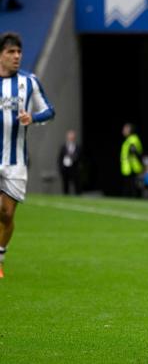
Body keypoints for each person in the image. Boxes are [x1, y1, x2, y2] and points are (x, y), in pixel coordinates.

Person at [0, 32, 55, 278]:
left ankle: (0, 256)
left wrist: (32, 117)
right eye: (11, 52)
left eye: (19, 52)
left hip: (16, 161)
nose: (16, 56)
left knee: (7, 213)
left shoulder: (29, 82)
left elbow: (49, 111)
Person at [120, 123, 143, 197]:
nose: (123, 131)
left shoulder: (133, 139)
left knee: (133, 188)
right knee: (128, 187)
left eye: (125, 129)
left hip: (132, 167)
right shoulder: (128, 140)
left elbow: (134, 151)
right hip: (127, 168)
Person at [58, 129, 81, 195]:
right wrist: (61, 168)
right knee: (65, 185)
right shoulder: (63, 147)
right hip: (65, 169)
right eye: (70, 137)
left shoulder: (77, 147)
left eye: (72, 137)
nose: (71, 138)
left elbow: (79, 157)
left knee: (76, 184)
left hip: (74, 169)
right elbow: (60, 158)